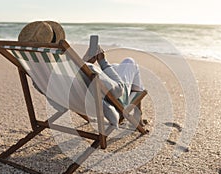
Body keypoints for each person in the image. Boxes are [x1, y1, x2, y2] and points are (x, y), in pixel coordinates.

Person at [18, 21, 146, 127]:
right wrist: (102, 61)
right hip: (106, 103)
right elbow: (118, 91)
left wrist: (83, 64)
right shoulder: (81, 68)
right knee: (129, 62)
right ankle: (137, 116)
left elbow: (72, 80)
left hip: (73, 102)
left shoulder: (39, 73)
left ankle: (137, 115)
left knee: (116, 67)